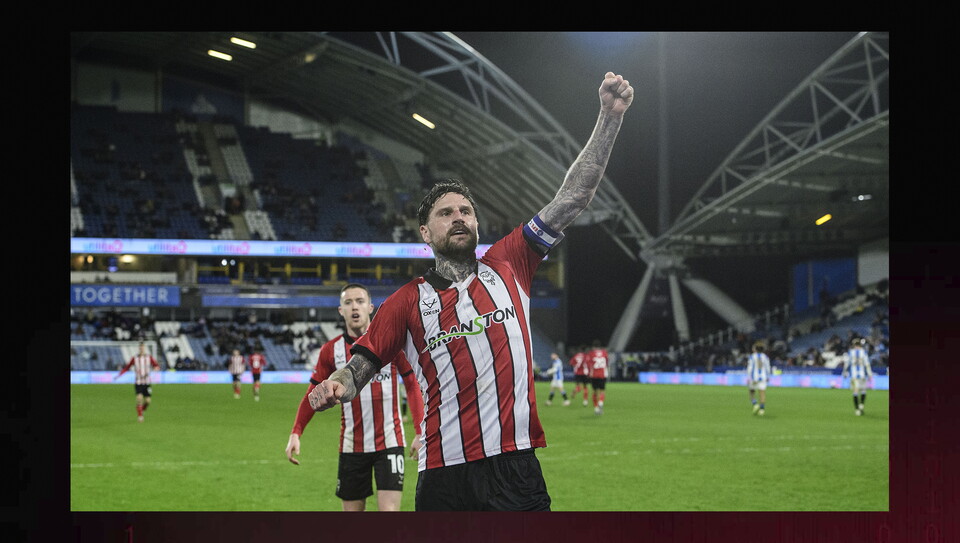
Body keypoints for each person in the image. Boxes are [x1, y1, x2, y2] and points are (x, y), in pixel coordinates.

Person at [307, 72, 634, 511]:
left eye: (466, 210)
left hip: (516, 467)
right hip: (444, 474)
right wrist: (337, 384)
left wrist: (609, 118)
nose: (458, 216)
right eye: (445, 213)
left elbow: (575, 195)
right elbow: (363, 362)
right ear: (426, 232)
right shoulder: (407, 301)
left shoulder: (510, 261)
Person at [285, 283, 424, 511]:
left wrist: (419, 432)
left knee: (389, 513)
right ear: (341, 310)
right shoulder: (331, 351)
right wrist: (296, 432)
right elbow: (313, 394)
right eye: (348, 303)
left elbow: (412, 384)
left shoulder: (392, 343)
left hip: (390, 442)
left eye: (359, 301)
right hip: (351, 445)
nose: (354, 307)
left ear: (371, 307)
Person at [114, 341, 161, 423]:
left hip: (147, 382)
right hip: (138, 382)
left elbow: (156, 365)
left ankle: (142, 409)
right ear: (139, 348)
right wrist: (119, 375)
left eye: (143, 347)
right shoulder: (135, 358)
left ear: (144, 348)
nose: (141, 349)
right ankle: (140, 416)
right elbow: (127, 367)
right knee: (139, 398)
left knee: (148, 401)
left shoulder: (149, 357)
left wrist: (156, 368)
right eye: (140, 347)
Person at [842, 337, 873, 416]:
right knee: (863, 390)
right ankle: (861, 404)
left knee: (855, 391)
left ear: (853, 345)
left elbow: (847, 364)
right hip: (862, 375)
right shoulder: (864, 352)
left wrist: (844, 372)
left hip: (854, 375)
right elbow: (867, 364)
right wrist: (869, 374)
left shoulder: (850, 352)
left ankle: (857, 409)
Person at [746, 343, 771, 416]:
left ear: (755, 349)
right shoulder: (765, 357)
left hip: (754, 378)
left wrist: (749, 376)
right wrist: (768, 376)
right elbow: (768, 367)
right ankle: (762, 410)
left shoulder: (752, 357)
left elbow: (750, 368)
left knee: (751, 391)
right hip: (763, 377)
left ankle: (755, 403)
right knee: (762, 393)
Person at [587, 340, 609, 415]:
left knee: (594, 392)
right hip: (603, 375)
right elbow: (606, 363)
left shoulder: (591, 353)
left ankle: (596, 408)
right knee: (602, 391)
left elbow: (588, 364)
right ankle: (601, 402)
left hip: (594, 375)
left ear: (593, 347)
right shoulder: (604, 352)